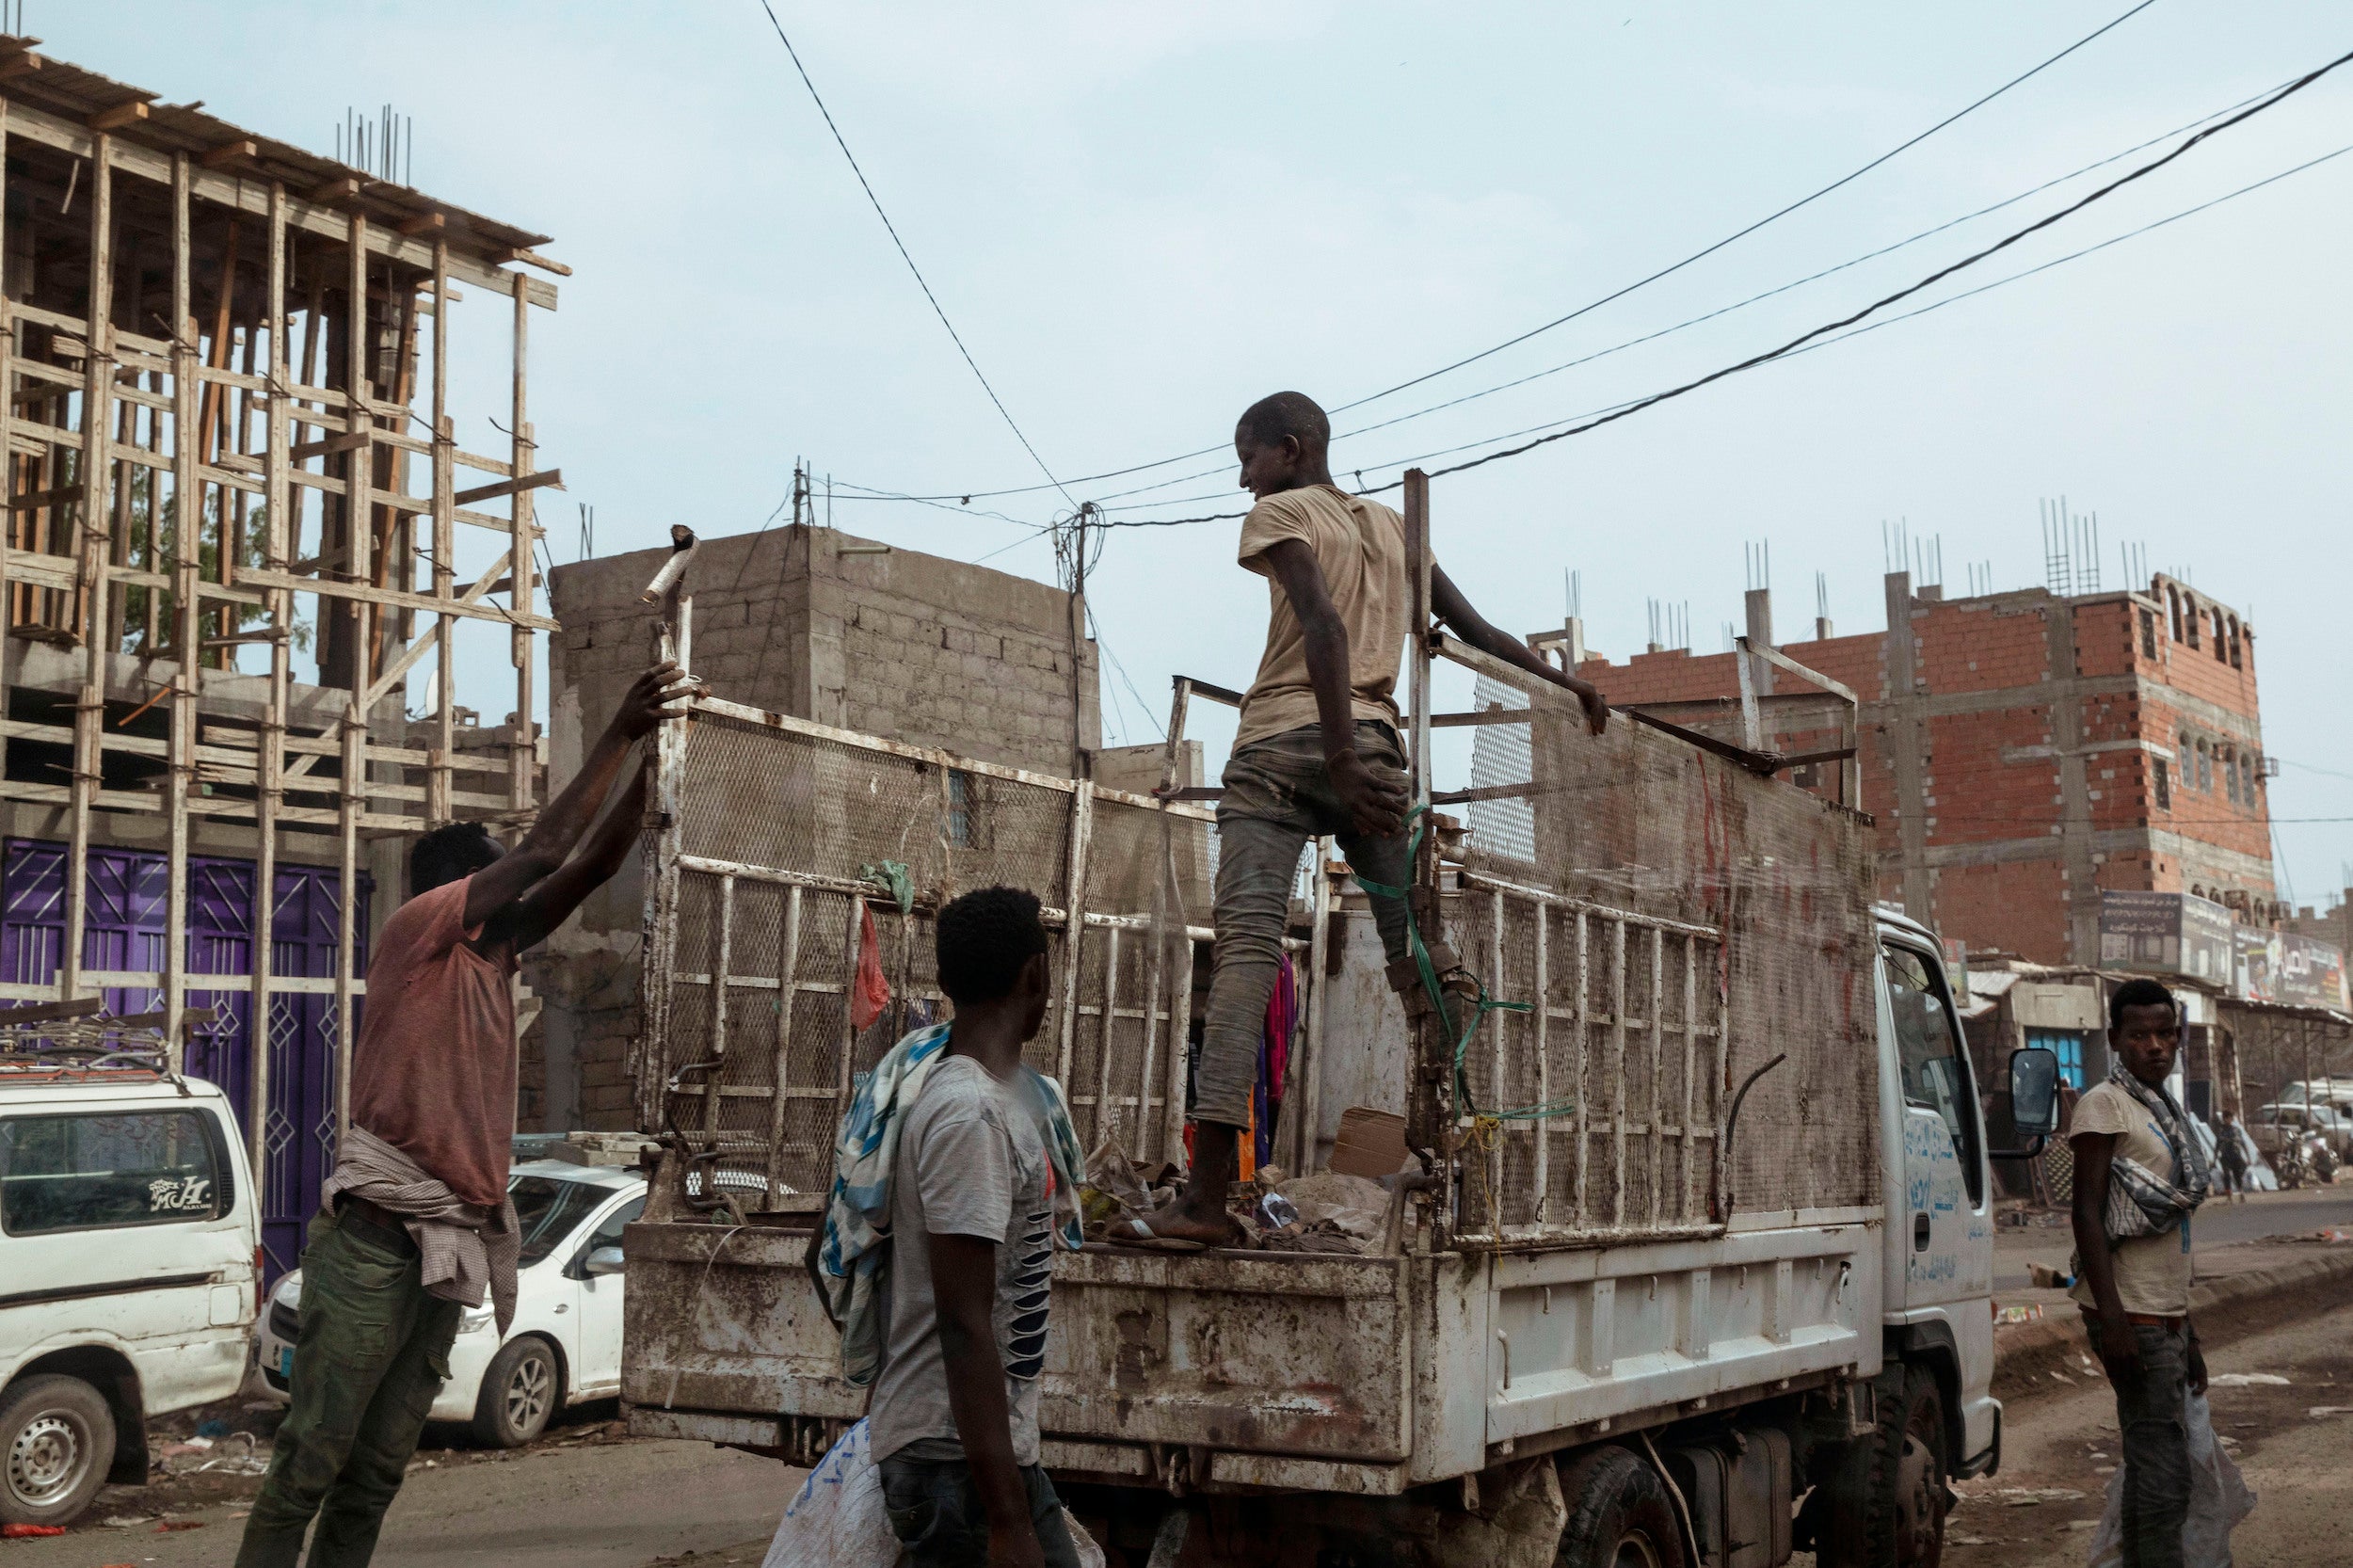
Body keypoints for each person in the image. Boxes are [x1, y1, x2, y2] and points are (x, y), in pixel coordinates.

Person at [236, 662, 693, 1568]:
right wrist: (620, 729)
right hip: (375, 1243)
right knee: (309, 1465)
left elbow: (596, 860)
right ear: (460, 892)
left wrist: (661, 752)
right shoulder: (417, 933)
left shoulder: (498, 955)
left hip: (445, 1248)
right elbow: (550, 853)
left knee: (375, 1474)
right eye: (500, 885)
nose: (518, 899)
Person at [1142, 391, 1609, 1247]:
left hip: (1286, 744)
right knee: (1417, 957)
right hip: (1374, 746)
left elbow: (1319, 622)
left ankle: (1207, 1201)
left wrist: (1337, 761)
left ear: (1290, 448)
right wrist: (1568, 685)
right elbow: (1476, 630)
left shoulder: (1283, 514)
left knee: (1246, 954)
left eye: (1248, 457)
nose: (1242, 479)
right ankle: (1458, 1161)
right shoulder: (1396, 530)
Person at [858, 887, 1086, 1568]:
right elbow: (963, 1319)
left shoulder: (985, 1102)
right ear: (1035, 976)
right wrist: (1008, 1521)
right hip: (953, 1465)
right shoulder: (970, 1117)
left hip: (970, 1458)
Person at [2069, 977, 2211, 1568]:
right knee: (2164, 1474)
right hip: (2133, 1315)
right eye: (2139, 1035)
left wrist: (2190, 1332)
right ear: (2115, 1039)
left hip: (2165, 1315)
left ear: (2177, 1039)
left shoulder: (2164, 1110)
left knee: (2156, 1464)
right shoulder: (2104, 1104)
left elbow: (2168, 1237)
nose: (2153, 1046)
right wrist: (2114, 1320)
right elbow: (2086, 1212)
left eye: (2164, 1034)